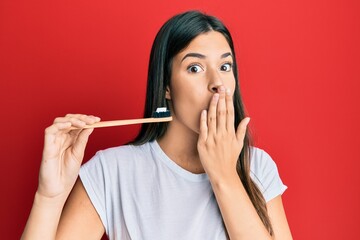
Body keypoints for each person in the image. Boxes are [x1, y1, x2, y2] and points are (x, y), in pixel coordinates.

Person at [22, 10, 292, 240]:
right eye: (195, 68)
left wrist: (225, 176)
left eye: (225, 66)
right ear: (166, 87)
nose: (218, 83)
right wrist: (49, 196)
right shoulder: (112, 171)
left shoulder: (257, 168)